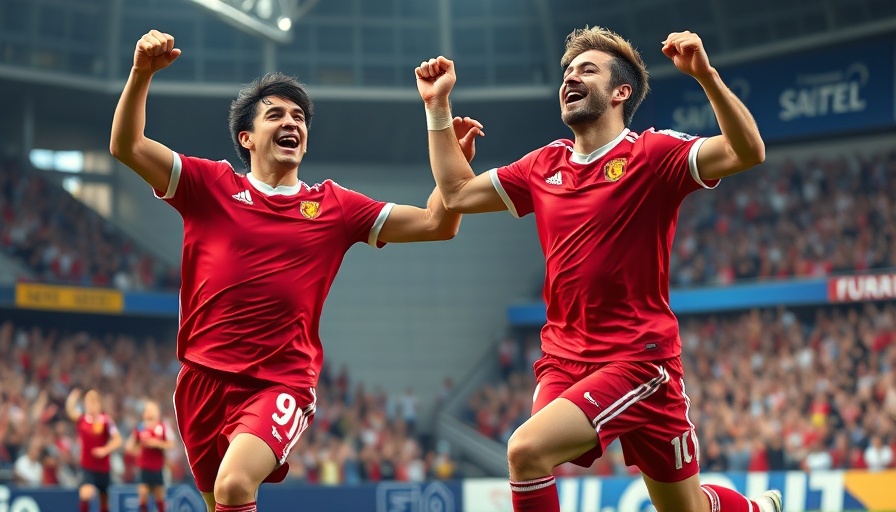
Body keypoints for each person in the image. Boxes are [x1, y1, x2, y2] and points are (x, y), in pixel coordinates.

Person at [109, 30, 482, 512]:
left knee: (234, 487)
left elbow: (437, 223)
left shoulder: (334, 206)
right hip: (200, 381)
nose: (292, 123)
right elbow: (127, 145)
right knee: (218, 502)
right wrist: (141, 73)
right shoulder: (209, 186)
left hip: (279, 382)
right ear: (247, 137)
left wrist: (439, 120)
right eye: (276, 115)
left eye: (299, 117)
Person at [415, 27, 782, 512]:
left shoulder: (651, 154)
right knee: (532, 455)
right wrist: (437, 109)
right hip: (563, 360)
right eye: (567, 71)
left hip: (637, 361)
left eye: (587, 69)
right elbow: (456, 194)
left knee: (533, 453)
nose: (571, 77)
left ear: (619, 92)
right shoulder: (542, 165)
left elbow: (747, 152)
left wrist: (706, 76)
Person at [66, 388, 123, 512]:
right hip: (87, 467)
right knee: (86, 494)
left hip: (103, 468)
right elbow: (70, 412)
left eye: (93, 402)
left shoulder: (106, 420)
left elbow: (118, 440)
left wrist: (105, 449)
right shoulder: (82, 420)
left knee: (104, 500)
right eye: (87, 402)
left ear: (98, 404)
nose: (90, 405)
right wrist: (72, 398)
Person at [125, 400, 174, 512]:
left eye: (152, 410)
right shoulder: (140, 427)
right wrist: (137, 450)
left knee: (159, 497)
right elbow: (129, 446)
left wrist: (156, 443)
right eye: (147, 410)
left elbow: (171, 444)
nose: (149, 412)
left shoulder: (162, 427)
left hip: (157, 468)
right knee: (143, 495)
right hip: (143, 467)